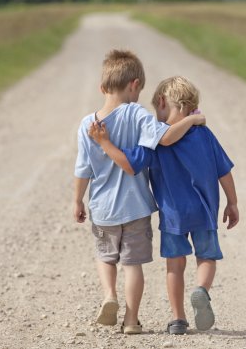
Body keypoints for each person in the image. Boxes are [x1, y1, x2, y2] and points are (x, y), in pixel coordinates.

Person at [88, 76, 239, 335]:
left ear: (160, 102)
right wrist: (232, 203)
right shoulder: (204, 133)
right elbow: (223, 171)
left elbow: (129, 164)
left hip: (173, 216)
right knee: (207, 257)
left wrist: (105, 143)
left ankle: (178, 319)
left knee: (175, 266)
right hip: (204, 210)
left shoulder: (154, 140)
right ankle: (201, 290)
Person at [73, 50, 205, 335]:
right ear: (134, 85)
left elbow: (83, 169)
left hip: (103, 207)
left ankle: (109, 294)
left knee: (105, 256)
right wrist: (193, 120)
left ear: (102, 88)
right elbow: (167, 137)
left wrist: (77, 201)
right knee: (132, 265)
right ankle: (131, 320)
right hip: (135, 208)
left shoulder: (87, 124)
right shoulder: (137, 114)